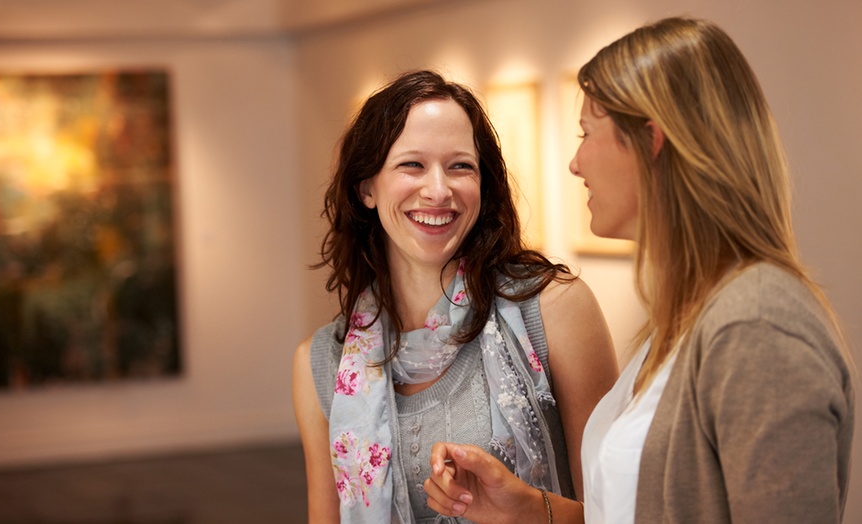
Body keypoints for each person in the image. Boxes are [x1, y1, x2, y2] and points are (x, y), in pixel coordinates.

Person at [425, 17, 855, 524]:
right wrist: (528, 510)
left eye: (586, 133)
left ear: (651, 140)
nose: (575, 163)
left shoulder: (756, 325)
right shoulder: (686, 319)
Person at [292, 70, 619, 523]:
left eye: (460, 166)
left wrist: (526, 511)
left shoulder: (554, 309)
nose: (439, 190)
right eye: (412, 165)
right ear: (367, 187)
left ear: (483, 186)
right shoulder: (322, 364)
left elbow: (617, 512)